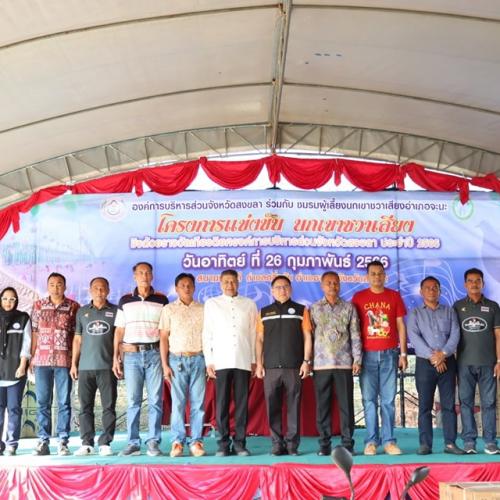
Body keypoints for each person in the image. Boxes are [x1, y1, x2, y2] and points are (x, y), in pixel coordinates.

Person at [112, 262, 168, 457]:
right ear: (134, 276)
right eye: (140, 273)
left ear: (152, 276)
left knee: (155, 401)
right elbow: (119, 331)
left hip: (154, 354)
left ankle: (153, 442)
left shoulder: (162, 300)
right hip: (132, 356)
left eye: (147, 273)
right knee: (133, 401)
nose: (144, 276)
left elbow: (164, 332)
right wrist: (115, 357)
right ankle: (133, 443)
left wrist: (165, 360)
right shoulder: (125, 300)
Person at [351, 261, 407, 456]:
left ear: (385, 276)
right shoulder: (358, 298)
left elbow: (400, 326)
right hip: (366, 355)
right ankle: (371, 442)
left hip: (389, 354)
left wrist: (403, 353)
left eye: (380, 273)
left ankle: (389, 441)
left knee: (388, 400)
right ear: (367, 277)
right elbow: (354, 329)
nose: (377, 277)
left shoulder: (394, 296)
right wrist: (356, 358)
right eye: (373, 274)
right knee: (369, 400)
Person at [255, 275, 313, 456]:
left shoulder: (301, 310)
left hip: (294, 367)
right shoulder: (264, 312)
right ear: (272, 291)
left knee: (294, 407)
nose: (282, 290)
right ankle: (276, 444)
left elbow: (307, 337)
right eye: (278, 287)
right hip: (270, 368)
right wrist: (259, 364)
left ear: (291, 289)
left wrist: (306, 362)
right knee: (272, 407)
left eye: (286, 286)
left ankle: (292, 445)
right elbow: (259, 339)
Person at [202, 269, 257, 457]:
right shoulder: (212, 304)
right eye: (226, 282)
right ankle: (223, 444)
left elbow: (253, 333)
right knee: (222, 404)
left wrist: (254, 360)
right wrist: (209, 361)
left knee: (242, 404)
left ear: (238, 282)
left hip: (243, 359)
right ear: (220, 283)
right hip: (220, 360)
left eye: (233, 281)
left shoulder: (249, 304)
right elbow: (207, 333)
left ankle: (240, 443)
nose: (229, 285)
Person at [407, 276, 464, 455]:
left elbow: (455, 334)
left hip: (448, 362)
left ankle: (450, 444)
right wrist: (434, 357)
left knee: (448, 405)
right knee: (425, 406)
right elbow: (414, 337)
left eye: (435, 288)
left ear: (440, 291)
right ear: (421, 291)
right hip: (425, 364)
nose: (431, 291)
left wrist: (443, 354)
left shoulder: (449, 311)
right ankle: (425, 444)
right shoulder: (415, 313)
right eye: (428, 288)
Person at [310, 271, 361, 455]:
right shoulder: (314, 308)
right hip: (321, 365)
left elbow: (355, 334)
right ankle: (324, 445)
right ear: (322, 286)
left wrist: (357, 359)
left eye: (335, 283)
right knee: (322, 406)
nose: (332, 286)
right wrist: (308, 361)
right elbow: (310, 336)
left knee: (346, 406)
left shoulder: (349, 307)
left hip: (344, 364)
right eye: (329, 283)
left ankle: (347, 444)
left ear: (340, 285)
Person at [30, 272, 79, 456]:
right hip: (41, 360)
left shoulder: (73, 306)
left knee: (64, 402)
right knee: (43, 402)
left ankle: (63, 441)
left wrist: (75, 361)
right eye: (52, 284)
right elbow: (34, 332)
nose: (56, 287)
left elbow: (76, 336)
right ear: (47, 286)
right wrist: (31, 356)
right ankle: (43, 441)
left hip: (64, 360)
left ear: (65, 287)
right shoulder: (39, 305)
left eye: (59, 284)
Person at [159, 272, 206, 458]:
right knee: (178, 403)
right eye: (182, 285)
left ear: (194, 288)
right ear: (176, 289)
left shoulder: (203, 309)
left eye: (189, 285)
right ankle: (177, 442)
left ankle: (196, 442)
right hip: (176, 360)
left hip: (199, 359)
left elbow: (210, 336)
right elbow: (163, 338)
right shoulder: (169, 309)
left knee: (198, 403)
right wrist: (165, 365)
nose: (186, 288)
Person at [454, 268, 500, 455]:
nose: (474, 284)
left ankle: (490, 442)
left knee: (489, 403)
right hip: (464, 364)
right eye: (470, 281)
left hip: (488, 364)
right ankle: (469, 442)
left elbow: (498, 336)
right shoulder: (457, 307)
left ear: (483, 284)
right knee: (466, 403)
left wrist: (499, 360)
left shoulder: (493, 306)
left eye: (477, 281)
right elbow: (453, 337)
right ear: (465, 284)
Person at [70, 277, 118, 457]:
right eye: (96, 288)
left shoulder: (116, 311)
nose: (99, 291)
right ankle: (87, 443)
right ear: (90, 290)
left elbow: (119, 339)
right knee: (85, 407)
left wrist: (117, 361)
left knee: (109, 407)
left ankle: (105, 443)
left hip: (107, 367)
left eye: (103, 288)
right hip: (85, 368)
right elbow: (77, 339)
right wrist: (74, 364)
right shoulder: (82, 312)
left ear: (108, 290)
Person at [0, 287, 31, 456]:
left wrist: (22, 365)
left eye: (12, 299)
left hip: (16, 371)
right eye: (5, 298)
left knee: (14, 409)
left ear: (16, 301)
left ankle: (11, 443)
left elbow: (27, 343)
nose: (8, 302)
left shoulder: (23, 318)